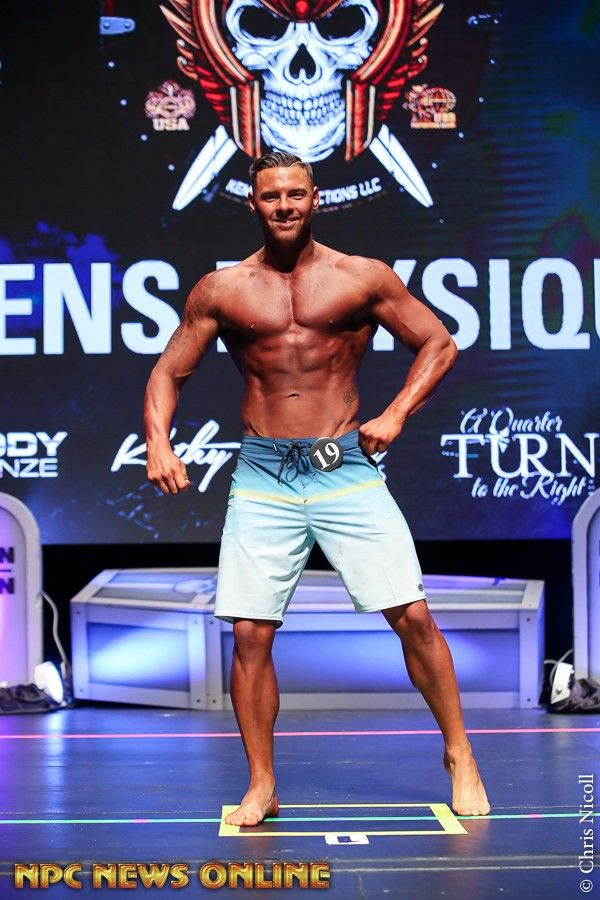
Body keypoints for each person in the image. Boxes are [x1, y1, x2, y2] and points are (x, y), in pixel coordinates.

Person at [144, 150, 491, 827]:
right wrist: (159, 440)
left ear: (315, 198)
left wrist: (396, 413)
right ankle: (262, 783)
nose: (284, 206)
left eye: (295, 194)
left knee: (412, 615)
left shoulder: (361, 277)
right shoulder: (222, 289)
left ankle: (459, 752)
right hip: (264, 471)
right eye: (271, 196)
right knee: (250, 633)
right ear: (253, 202)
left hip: (343, 466)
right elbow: (167, 372)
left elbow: (439, 343)